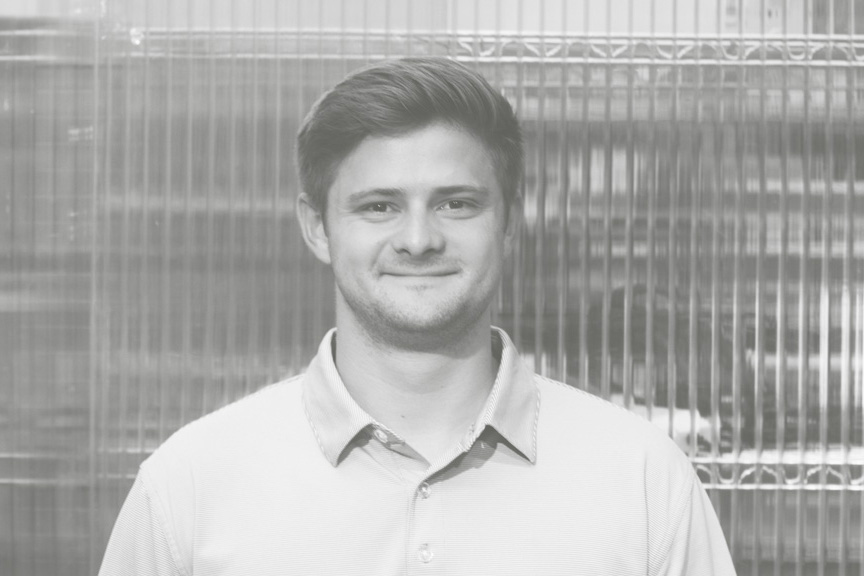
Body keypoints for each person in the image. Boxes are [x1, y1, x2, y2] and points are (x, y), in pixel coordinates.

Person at [98, 56, 736, 575]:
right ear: (316, 227)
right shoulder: (192, 484)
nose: (418, 240)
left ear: (509, 222)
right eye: (378, 206)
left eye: (456, 204)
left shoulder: (643, 480)